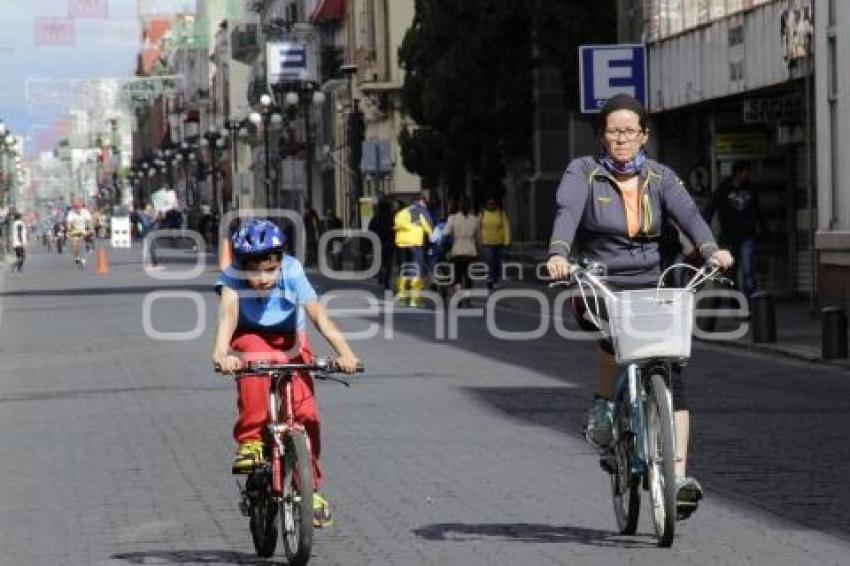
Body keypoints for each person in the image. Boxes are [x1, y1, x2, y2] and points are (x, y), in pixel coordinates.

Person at [545, 93, 734, 517]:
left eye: (630, 131)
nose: (621, 138)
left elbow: (689, 214)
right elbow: (567, 211)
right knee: (615, 341)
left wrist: (710, 248)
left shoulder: (661, 176)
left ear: (644, 135)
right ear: (602, 135)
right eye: (613, 131)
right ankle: (604, 405)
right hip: (601, 280)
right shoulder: (584, 172)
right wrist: (559, 253)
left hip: (655, 280)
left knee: (672, 369)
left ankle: (679, 476)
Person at [212, 218, 361, 528]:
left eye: (269, 269)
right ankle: (252, 441)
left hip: (291, 340)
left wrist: (344, 352)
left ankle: (310, 489)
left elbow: (318, 315)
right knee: (253, 360)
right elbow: (228, 312)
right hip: (251, 335)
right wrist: (221, 351)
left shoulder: (292, 271)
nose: (262, 278)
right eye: (254, 271)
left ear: (280, 262)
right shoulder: (233, 277)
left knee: (306, 414)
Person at [706, 160, 764, 299]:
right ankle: (736, 300)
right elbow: (710, 209)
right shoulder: (723, 189)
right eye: (746, 172)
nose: (748, 175)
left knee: (747, 269)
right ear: (738, 173)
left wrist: (763, 228)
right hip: (729, 236)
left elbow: (758, 210)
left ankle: (750, 302)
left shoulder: (751, 189)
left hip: (747, 235)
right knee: (730, 271)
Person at [393, 193, 433, 307]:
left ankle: (402, 298)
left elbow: (396, 223)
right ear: (421, 201)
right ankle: (415, 300)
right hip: (415, 243)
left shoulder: (403, 212)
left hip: (401, 243)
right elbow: (428, 225)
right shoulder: (421, 211)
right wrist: (432, 238)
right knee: (417, 269)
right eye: (425, 202)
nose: (426, 205)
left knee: (404, 268)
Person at [442, 195, 479, 304]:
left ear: (459, 206)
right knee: (468, 276)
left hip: (457, 250)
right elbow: (478, 237)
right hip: (471, 251)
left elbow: (445, 233)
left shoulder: (452, 218)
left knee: (458, 275)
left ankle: (459, 297)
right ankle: (467, 298)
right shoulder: (475, 219)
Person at [478, 198, 511, 291]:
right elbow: (478, 228)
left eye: (492, 204)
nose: (491, 205)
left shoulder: (500, 214)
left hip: (498, 242)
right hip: (487, 243)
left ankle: (495, 280)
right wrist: (479, 240)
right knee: (490, 261)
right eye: (489, 204)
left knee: (497, 262)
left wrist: (507, 241)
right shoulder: (482, 214)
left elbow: (506, 227)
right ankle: (490, 279)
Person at [367, 199, 395, 289]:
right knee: (388, 262)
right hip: (389, 242)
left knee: (380, 261)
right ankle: (386, 279)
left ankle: (381, 277)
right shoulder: (392, 217)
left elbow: (370, 229)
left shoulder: (376, 217)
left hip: (378, 242)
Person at [66, 201, 93, 266]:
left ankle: (88, 248)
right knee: (74, 244)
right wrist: (69, 229)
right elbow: (68, 223)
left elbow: (89, 222)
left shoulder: (86, 212)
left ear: (81, 208)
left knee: (86, 237)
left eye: (78, 208)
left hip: (84, 228)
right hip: (75, 230)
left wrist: (90, 229)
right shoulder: (71, 213)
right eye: (75, 208)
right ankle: (77, 256)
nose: (77, 209)